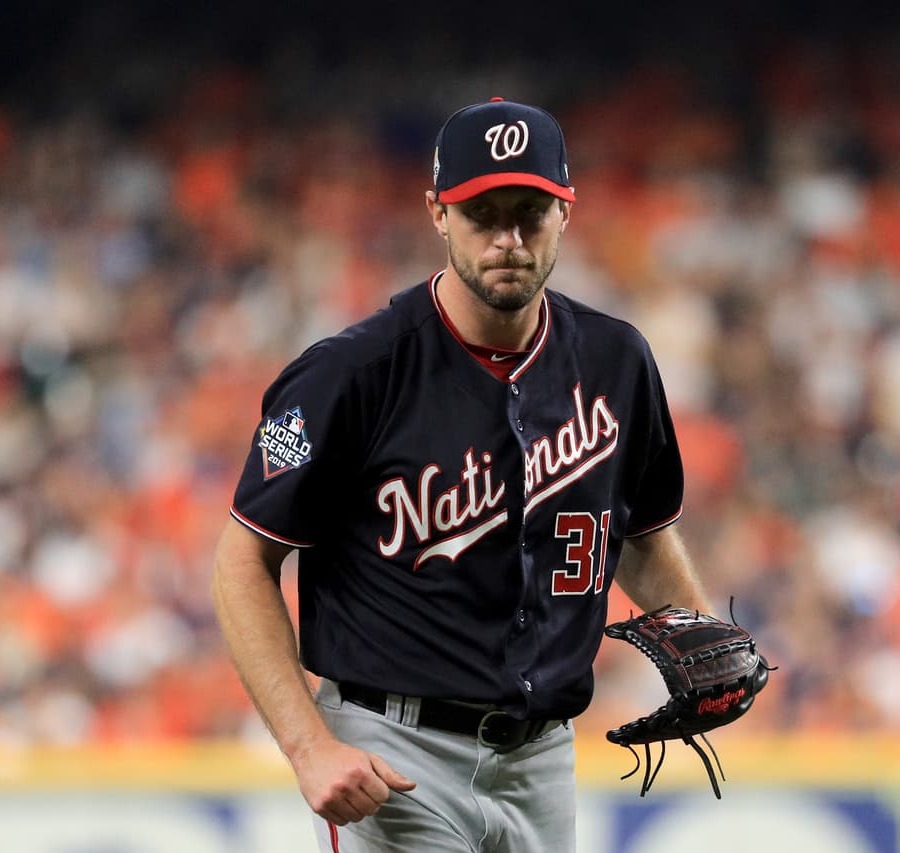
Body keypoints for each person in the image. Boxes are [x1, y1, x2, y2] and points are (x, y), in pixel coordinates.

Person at [211, 97, 713, 853]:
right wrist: (309, 746)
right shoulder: (353, 372)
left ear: (565, 212)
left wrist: (698, 636)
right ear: (438, 215)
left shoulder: (617, 361)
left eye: (530, 213)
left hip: (543, 759)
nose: (508, 239)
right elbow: (242, 560)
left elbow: (638, 534)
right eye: (482, 214)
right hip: (395, 752)